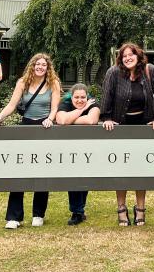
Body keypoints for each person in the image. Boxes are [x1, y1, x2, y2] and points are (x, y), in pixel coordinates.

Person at [0, 53, 61, 229]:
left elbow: (54, 108)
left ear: (48, 68)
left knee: (41, 171)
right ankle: (14, 217)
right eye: (37, 64)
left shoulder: (53, 83)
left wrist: (50, 119)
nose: (40, 67)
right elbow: (12, 105)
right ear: (32, 65)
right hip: (26, 128)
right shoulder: (22, 82)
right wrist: (0, 117)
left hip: (45, 128)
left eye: (43, 65)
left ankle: (38, 214)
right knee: (19, 171)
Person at [101, 43, 154, 226]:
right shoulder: (113, 73)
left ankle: (140, 209)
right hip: (121, 125)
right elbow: (107, 95)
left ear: (138, 55)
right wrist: (106, 117)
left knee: (140, 168)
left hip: (143, 125)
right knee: (121, 168)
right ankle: (121, 208)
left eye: (131, 54)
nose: (128, 58)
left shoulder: (151, 71)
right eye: (124, 55)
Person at [55, 83, 101, 225]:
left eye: (83, 97)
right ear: (71, 97)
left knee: (84, 177)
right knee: (73, 177)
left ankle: (79, 210)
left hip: (89, 147)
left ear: (87, 97)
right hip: (70, 147)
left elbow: (91, 120)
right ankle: (77, 211)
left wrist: (71, 119)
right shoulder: (65, 103)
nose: (80, 100)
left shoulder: (94, 104)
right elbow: (61, 120)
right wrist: (83, 110)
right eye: (77, 97)